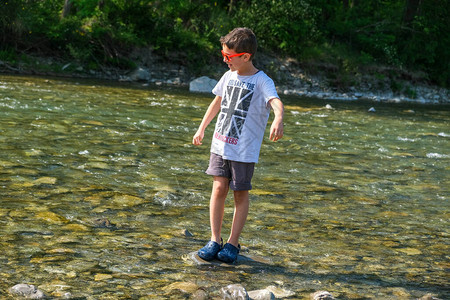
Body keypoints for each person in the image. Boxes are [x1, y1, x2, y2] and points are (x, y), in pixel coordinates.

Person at [192, 27, 284, 263]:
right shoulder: (228, 76)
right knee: (218, 189)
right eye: (223, 55)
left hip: (243, 150)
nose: (225, 61)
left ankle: (232, 243)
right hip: (220, 144)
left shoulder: (262, 81)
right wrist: (202, 128)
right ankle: (214, 239)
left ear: (245, 56)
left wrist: (278, 119)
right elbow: (217, 103)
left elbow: (275, 102)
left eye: (229, 57)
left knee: (239, 194)